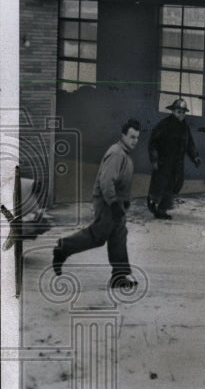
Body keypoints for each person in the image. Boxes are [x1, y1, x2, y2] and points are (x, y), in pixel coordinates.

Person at [52, 119, 141, 289]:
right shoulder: (117, 154)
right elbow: (106, 182)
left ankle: (119, 275)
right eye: (131, 137)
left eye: (137, 138)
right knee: (98, 236)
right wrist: (114, 204)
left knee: (118, 235)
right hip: (108, 203)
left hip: (116, 203)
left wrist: (122, 203)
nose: (134, 141)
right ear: (123, 136)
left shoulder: (124, 154)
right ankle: (63, 248)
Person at [147, 97, 201, 219]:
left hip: (177, 164)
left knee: (175, 186)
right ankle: (154, 202)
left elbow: (190, 143)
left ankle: (161, 209)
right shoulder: (164, 125)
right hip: (164, 163)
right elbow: (153, 143)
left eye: (183, 112)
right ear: (173, 111)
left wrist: (195, 157)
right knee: (161, 185)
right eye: (178, 112)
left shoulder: (184, 128)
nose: (181, 115)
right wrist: (154, 159)